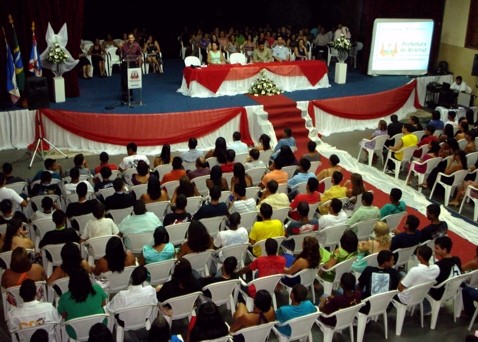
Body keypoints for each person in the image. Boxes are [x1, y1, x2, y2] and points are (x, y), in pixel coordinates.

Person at [57, 269, 108, 339]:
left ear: (71, 283)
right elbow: (103, 305)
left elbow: (63, 315)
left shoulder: (64, 298)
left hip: (75, 332)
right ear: (88, 281)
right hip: (99, 329)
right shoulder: (97, 289)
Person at [428, 236, 461, 301]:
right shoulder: (457, 260)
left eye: (436, 248)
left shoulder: (439, 266)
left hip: (439, 294)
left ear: (444, 250)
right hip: (452, 291)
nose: (434, 250)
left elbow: (431, 282)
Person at [118, 33, 142, 103]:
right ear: (128, 39)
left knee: (131, 79)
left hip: (133, 64)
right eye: (129, 38)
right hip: (125, 64)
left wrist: (138, 58)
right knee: (124, 80)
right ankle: (124, 95)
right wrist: (119, 48)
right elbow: (118, 53)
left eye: (132, 38)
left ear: (134, 39)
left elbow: (139, 54)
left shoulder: (136, 45)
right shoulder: (124, 45)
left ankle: (130, 95)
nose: (130, 39)